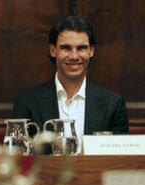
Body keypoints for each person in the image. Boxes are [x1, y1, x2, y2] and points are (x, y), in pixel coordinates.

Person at [11, 15, 129, 150]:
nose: (74, 56)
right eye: (66, 48)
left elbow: (120, 159)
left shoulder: (113, 104)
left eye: (81, 48)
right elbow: (18, 157)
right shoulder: (27, 101)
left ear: (91, 51)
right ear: (53, 50)